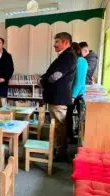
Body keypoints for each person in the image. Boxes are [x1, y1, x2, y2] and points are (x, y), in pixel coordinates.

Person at [39, 32, 76, 161]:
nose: (54, 45)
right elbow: (51, 73)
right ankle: (59, 149)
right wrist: (43, 77)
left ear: (65, 42)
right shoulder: (64, 55)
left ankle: (61, 153)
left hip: (59, 97)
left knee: (60, 127)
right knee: (58, 127)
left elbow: (55, 76)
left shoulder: (68, 56)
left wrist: (42, 81)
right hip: (56, 97)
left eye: (57, 42)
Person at [67, 42, 88, 144]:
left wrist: (72, 96)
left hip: (77, 95)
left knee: (77, 118)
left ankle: (73, 138)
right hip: (74, 94)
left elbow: (79, 82)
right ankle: (70, 137)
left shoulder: (81, 61)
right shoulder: (76, 61)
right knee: (68, 117)